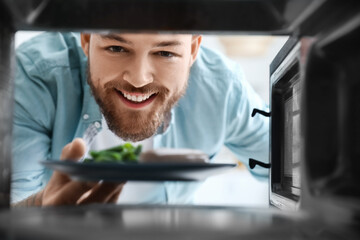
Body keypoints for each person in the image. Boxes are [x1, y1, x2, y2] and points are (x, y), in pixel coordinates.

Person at [11, 32, 269, 206]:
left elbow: (290, 171)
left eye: (165, 53)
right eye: (116, 48)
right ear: (87, 40)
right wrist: (38, 210)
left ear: (192, 49)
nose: (138, 79)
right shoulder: (34, 77)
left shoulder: (223, 90)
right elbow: (11, 210)